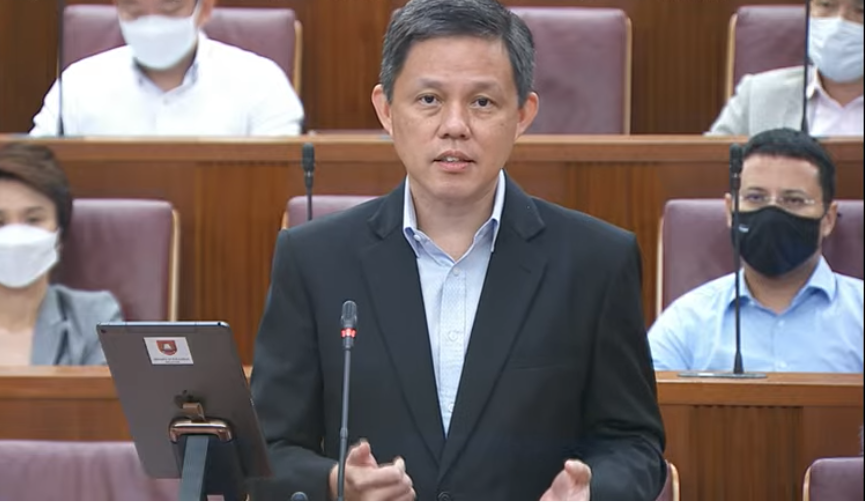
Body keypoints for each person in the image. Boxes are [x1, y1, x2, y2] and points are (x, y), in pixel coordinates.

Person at [250, 0, 666, 500]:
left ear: (523, 114)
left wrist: (592, 493)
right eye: (428, 99)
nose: (454, 125)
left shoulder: (597, 261)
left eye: (483, 103)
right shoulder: (313, 259)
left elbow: (634, 443)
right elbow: (269, 449)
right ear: (385, 110)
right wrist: (335, 483)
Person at [649, 128, 864, 373]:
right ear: (731, 210)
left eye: (794, 200)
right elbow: (645, 403)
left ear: (828, 218)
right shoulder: (686, 321)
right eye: (756, 197)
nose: (772, 213)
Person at [30, 0, 303, 137]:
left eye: (169, 9)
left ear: (205, 9)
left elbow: (280, 182)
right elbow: (33, 174)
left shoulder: (262, 82)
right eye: (134, 11)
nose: (152, 25)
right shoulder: (78, 85)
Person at [0, 143, 123, 365]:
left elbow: (105, 398)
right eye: (0, 222)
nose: (15, 235)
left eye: (33, 220)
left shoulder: (95, 318)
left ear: (59, 232)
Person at [709, 0, 863, 136]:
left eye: (861, 10)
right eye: (826, 5)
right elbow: (709, 163)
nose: (839, 23)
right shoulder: (756, 95)